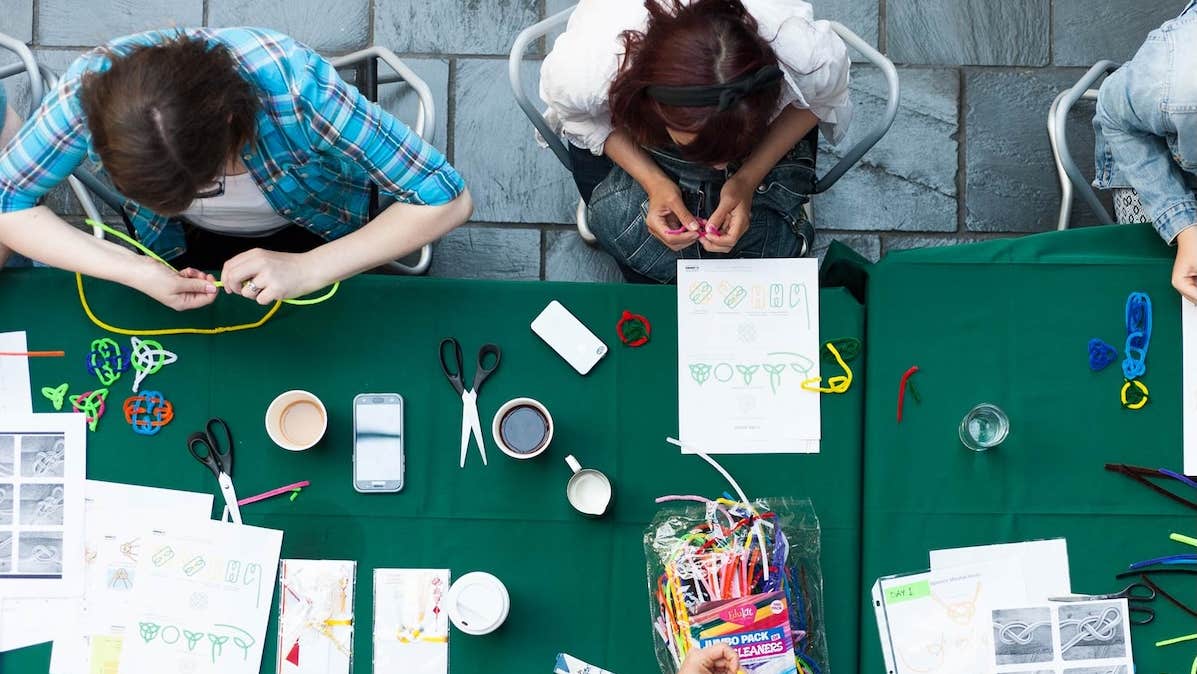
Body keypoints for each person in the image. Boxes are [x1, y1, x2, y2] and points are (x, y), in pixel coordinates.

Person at [0, 28, 472, 309]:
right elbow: (7, 204)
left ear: (230, 120)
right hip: (169, 242)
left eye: (202, 187)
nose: (194, 202)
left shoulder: (295, 85)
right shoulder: (88, 95)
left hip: (318, 223)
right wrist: (135, 270)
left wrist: (309, 269)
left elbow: (447, 196)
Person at [540, 0, 851, 283]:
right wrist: (653, 182)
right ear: (653, 105)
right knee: (629, 231)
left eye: (738, 146)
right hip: (635, 126)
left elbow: (820, 102)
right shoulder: (587, 74)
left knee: (764, 250)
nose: (719, 167)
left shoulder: (805, 57)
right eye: (694, 147)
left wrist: (747, 177)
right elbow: (580, 119)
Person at [1094, 0, 1197, 301]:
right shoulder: (1182, 82)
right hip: (1151, 162)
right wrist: (1184, 227)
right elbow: (1113, 113)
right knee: (1162, 293)